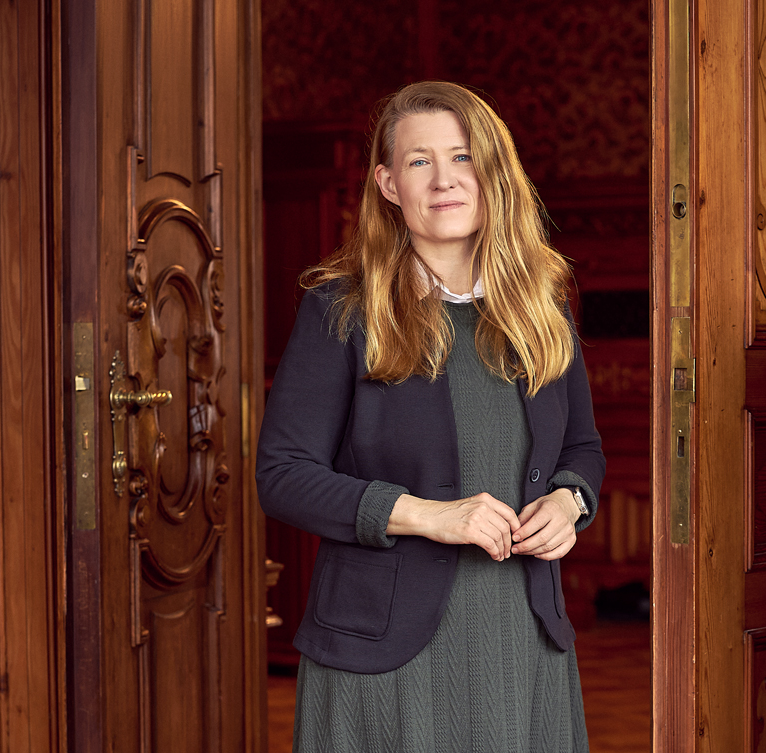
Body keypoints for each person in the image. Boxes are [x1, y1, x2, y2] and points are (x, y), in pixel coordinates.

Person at [256, 80, 605, 753]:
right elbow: (283, 475)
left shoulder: (543, 307)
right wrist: (428, 515)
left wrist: (570, 502)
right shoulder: (341, 309)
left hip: (522, 635)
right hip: (381, 651)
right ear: (389, 184)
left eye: (463, 156)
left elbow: (583, 446)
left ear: (493, 172)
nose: (445, 179)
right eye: (420, 161)